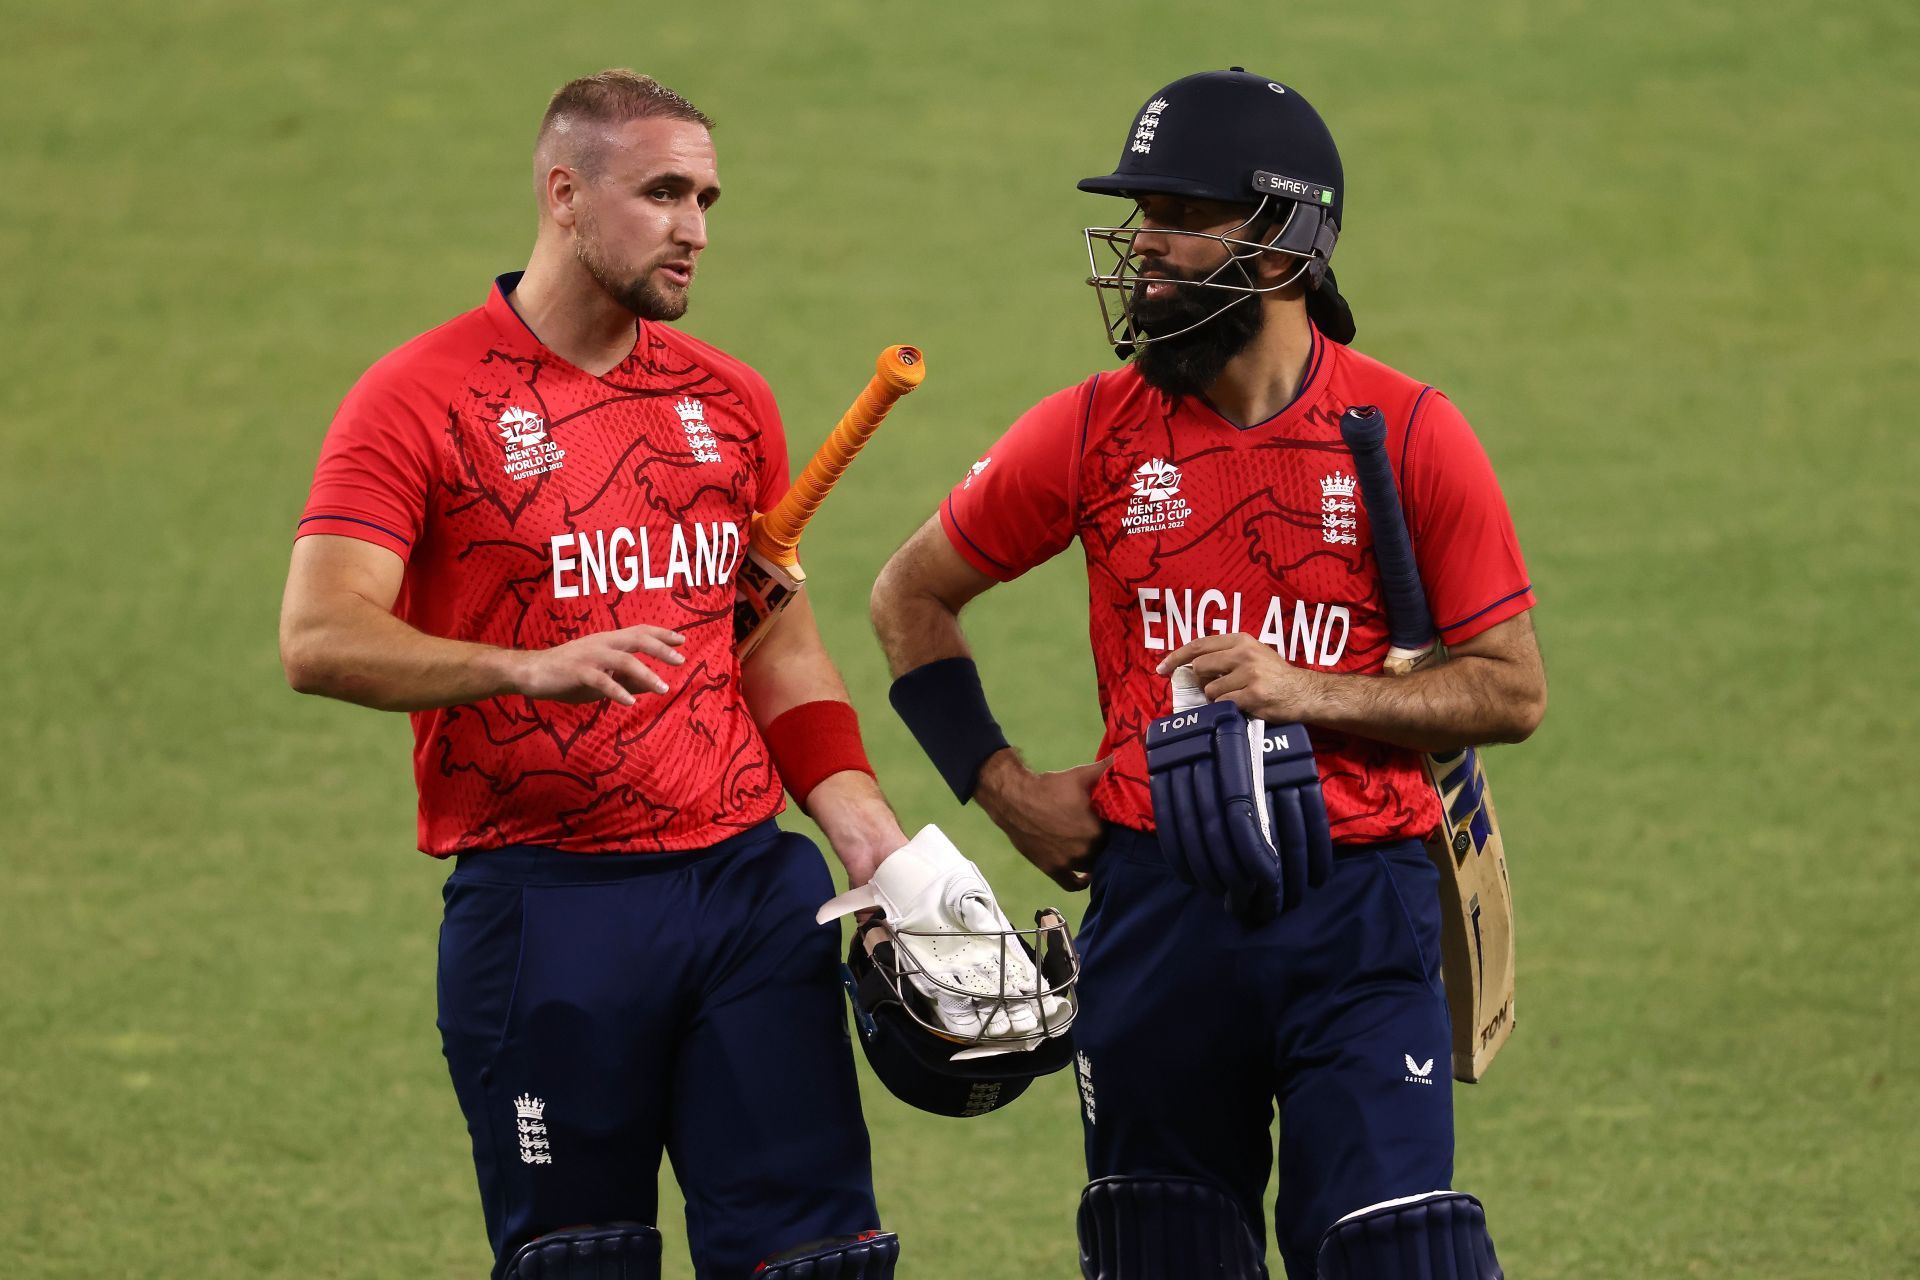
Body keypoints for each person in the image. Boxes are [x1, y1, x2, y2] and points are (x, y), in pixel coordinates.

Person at [871, 70, 1547, 1279]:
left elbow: (1510, 690)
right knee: (1160, 1250)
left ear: (1284, 240)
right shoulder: (1090, 428)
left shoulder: (1409, 430)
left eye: (1181, 213)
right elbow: (907, 597)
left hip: (1362, 911)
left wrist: (1307, 689)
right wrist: (1007, 789)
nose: (1147, 250)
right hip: (1155, 911)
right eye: (1144, 217)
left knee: (1396, 1256)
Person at [278, 70, 911, 1280]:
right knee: (581, 1260)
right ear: (565, 194)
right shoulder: (419, 398)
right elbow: (318, 634)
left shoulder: (727, 400)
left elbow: (772, 634)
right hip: (545, 909)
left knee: (818, 1258)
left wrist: (864, 828)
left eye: (707, 196)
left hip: (745, 891)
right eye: (662, 192)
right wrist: (521, 664)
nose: (696, 228)